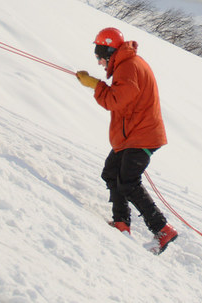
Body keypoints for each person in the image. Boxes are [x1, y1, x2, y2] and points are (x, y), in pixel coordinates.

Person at [76, 27, 179, 254]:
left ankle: (163, 229)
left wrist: (95, 84)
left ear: (109, 51)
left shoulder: (128, 67)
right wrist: (96, 83)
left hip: (141, 134)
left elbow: (116, 101)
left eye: (99, 57)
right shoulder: (128, 63)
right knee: (112, 173)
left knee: (128, 181)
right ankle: (121, 223)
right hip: (134, 134)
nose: (100, 63)